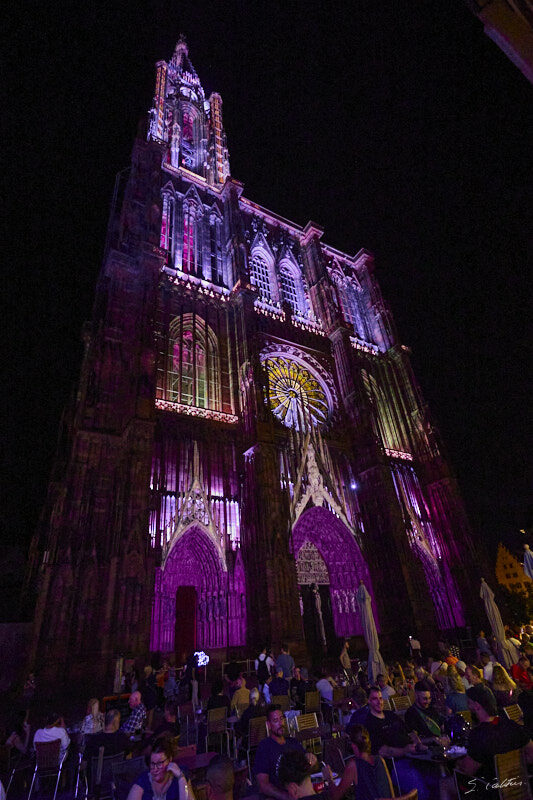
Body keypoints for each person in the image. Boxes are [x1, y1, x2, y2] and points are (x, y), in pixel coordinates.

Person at [455, 684, 533, 781]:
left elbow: (468, 771)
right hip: (519, 786)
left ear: (477, 706)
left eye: (469, 703)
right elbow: (531, 754)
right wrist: (514, 766)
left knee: (445, 783)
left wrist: (457, 763)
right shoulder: (512, 725)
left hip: (491, 790)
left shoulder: (478, 735)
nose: (467, 706)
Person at [253, 705, 317, 799]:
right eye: (275, 721)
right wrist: (286, 797)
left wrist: (312, 760)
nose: (280, 723)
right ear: (269, 725)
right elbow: (263, 785)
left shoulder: (293, 742)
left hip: (301, 793)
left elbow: (309, 767)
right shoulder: (264, 747)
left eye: (281, 718)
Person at [349, 687, 415, 757]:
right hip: (397, 760)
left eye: (380, 698)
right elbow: (383, 751)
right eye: (375, 699)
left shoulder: (390, 714)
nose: (379, 702)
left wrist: (418, 744)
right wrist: (406, 750)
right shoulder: (368, 723)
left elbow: (410, 732)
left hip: (413, 753)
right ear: (368, 701)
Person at [342, 724, 394, 800]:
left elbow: (335, 795)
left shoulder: (354, 765)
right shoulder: (380, 760)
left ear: (353, 745)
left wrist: (329, 778)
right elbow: (391, 793)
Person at [404, 680, 448, 745]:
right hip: (426, 748)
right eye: (424, 699)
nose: (428, 701)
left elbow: (442, 726)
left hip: (440, 744)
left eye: (429, 698)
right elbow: (413, 739)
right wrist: (432, 739)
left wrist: (445, 736)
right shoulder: (411, 713)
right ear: (416, 696)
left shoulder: (432, 709)